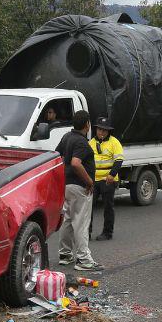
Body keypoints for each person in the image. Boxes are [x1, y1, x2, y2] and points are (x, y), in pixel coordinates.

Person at [56, 110, 103, 272]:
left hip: (67, 185)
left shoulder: (67, 137)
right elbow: (76, 163)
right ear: (87, 124)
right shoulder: (82, 142)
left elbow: (57, 155)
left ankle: (65, 254)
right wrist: (89, 181)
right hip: (80, 186)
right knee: (81, 222)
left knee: (68, 219)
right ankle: (83, 259)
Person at [88, 118, 124, 241]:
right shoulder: (91, 142)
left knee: (108, 206)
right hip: (93, 179)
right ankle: (87, 232)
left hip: (108, 179)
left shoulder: (114, 142)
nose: (101, 132)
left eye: (104, 130)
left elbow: (119, 160)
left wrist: (112, 175)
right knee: (88, 207)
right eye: (99, 129)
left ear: (109, 131)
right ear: (96, 129)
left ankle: (107, 232)